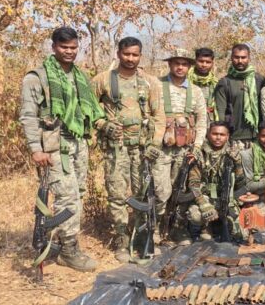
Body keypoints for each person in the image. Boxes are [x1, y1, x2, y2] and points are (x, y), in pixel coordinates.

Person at [20, 27, 106, 271]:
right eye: (64, 47)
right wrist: (36, 149)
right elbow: (28, 116)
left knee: (78, 194)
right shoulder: (37, 78)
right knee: (67, 198)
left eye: (73, 47)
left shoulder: (80, 76)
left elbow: (89, 110)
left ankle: (60, 242)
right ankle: (69, 251)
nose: (69, 52)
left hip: (78, 143)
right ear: (54, 47)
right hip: (54, 147)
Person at [91, 36, 165, 262]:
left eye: (135, 54)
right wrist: (103, 125)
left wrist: (155, 143)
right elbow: (89, 110)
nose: (130, 58)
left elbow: (159, 116)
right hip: (117, 148)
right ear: (118, 54)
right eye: (126, 54)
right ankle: (122, 239)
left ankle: (142, 236)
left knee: (143, 193)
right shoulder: (103, 80)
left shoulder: (150, 82)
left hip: (142, 149)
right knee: (117, 194)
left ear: (140, 56)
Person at [154, 49, 208, 245]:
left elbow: (202, 121)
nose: (180, 67)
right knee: (161, 191)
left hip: (186, 151)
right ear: (170, 64)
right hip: (161, 150)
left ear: (189, 67)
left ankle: (176, 229)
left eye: (184, 64)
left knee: (181, 192)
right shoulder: (157, 86)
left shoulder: (196, 91)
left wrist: (197, 147)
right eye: (176, 63)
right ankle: (154, 229)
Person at [185, 121, 257, 241]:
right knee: (195, 215)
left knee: (240, 235)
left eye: (222, 135)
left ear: (227, 136)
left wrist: (238, 164)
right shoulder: (200, 154)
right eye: (215, 134)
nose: (218, 137)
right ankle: (205, 227)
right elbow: (193, 184)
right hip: (206, 197)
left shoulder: (233, 153)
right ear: (208, 134)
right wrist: (203, 204)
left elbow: (240, 183)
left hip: (227, 199)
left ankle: (220, 225)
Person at [213, 44, 265, 147]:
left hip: (258, 137)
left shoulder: (260, 80)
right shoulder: (224, 82)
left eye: (243, 57)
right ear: (231, 58)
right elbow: (220, 112)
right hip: (234, 138)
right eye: (236, 57)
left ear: (249, 58)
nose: (240, 61)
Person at [188, 47, 218, 124]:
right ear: (195, 61)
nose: (204, 65)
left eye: (208, 62)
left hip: (209, 123)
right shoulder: (185, 79)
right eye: (201, 61)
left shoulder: (216, 83)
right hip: (189, 122)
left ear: (212, 63)